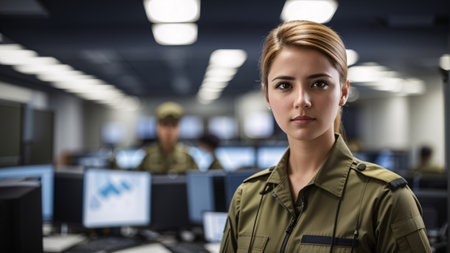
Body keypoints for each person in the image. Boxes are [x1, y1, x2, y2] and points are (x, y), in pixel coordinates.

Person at [220, 20, 431, 252]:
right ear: (267, 96)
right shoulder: (248, 197)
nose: (302, 100)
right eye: (284, 85)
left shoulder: (385, 198)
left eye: (319, 83)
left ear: (343, 92)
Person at [137, 101, 198, 174]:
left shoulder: (188, 157)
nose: (169, 131)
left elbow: (198, 182)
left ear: (179, 129)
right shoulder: (147, 157)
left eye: (174, 125)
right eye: (165, 125)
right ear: (157, 128)